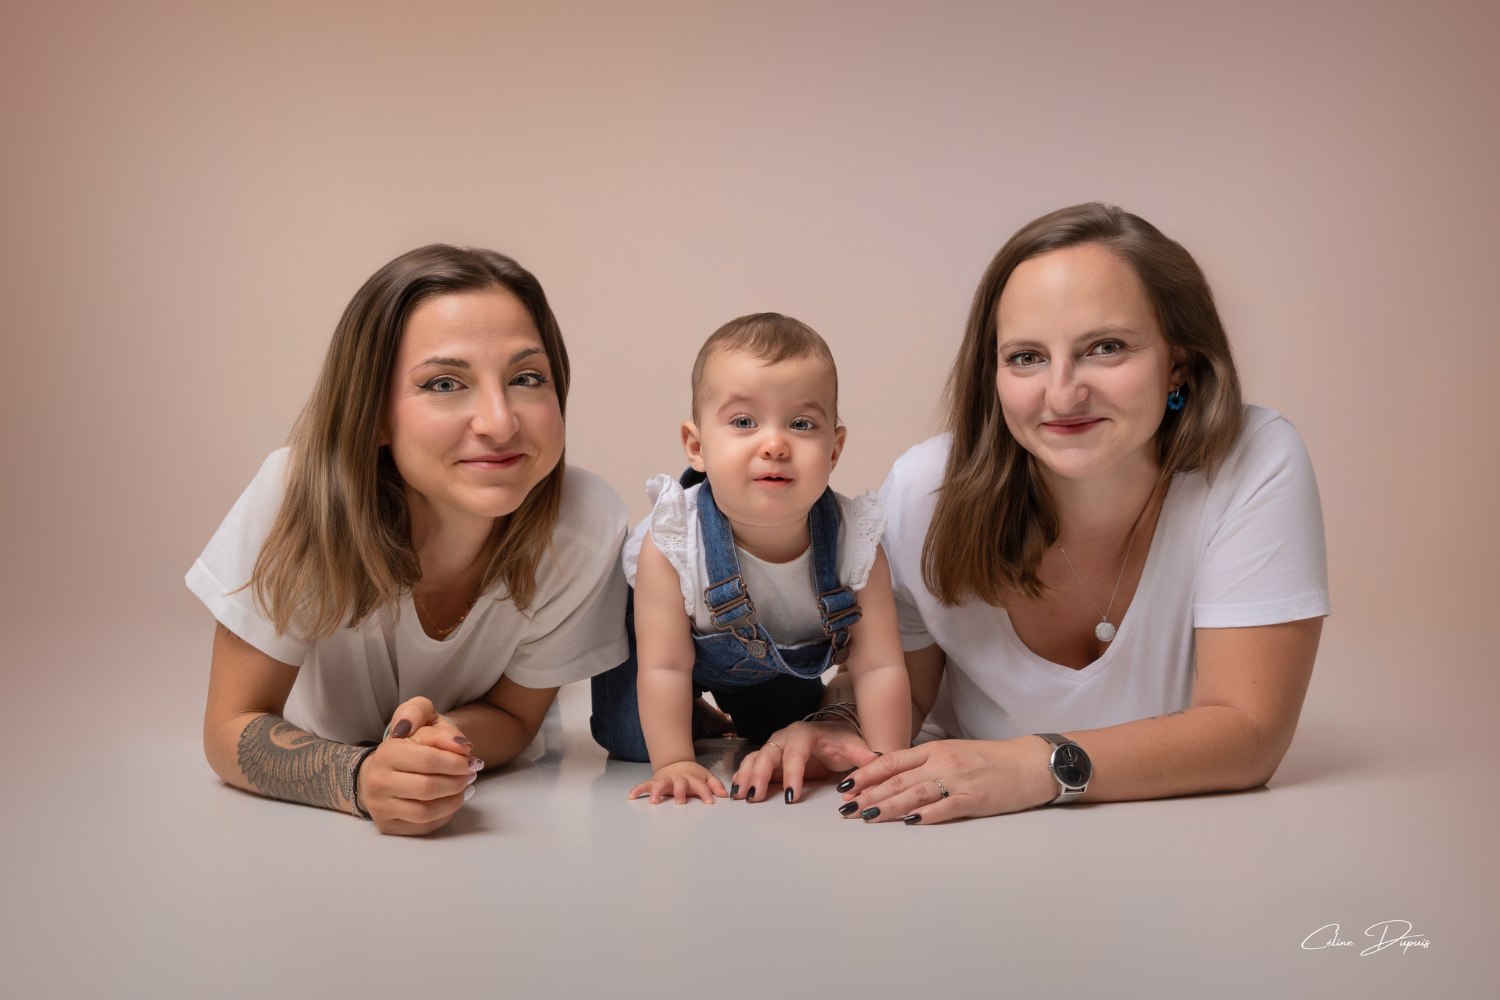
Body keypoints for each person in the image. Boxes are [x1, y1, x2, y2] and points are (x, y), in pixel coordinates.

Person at [730, 203, 1328, 823]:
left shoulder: (1255, 459)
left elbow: (1249, 733)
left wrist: (1033, 766)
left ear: (1177, 362)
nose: (1063, 393)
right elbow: (901, 690)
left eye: (1106, 347)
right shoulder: (924, 489)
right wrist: (833, 721)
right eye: (1026, 357)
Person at [187, 245, 629, 836]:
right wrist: (360, 777)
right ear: (373, 414)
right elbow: (231, 725)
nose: (500, 422)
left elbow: (513, 717)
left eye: (527, 378)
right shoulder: (299, 495)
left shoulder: (585, 523)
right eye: (444, 383)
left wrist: (439, 749)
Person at [589, 314, 911, 804]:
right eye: (744, 422)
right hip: (661, 648)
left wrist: (887, 762)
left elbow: (879, 665)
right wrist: (674, 762)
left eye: (801, 424)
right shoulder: (675, 540)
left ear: (835, 449)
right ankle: (693, 714)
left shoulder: (855, 541)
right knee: (632, 740)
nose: (775, 445)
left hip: (766, 661)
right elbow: (667, 666)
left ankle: (725, 710)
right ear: (696, 446)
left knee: (777, 734)